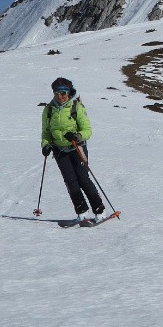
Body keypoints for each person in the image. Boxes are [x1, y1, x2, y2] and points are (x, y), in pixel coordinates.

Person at [41, 77, 105, 226]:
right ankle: (82, 213)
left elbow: (87, 130)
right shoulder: (49, 109)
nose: (60, 96)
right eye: (57, 93)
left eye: (63, 93)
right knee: (70, 182)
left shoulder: (76, 106)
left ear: (69, 92)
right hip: (59, 150)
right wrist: (46, 145)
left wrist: (77, 136)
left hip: (77, 148)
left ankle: (99, 211)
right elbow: (46, 132)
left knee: (83, 179)